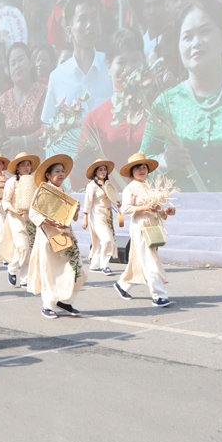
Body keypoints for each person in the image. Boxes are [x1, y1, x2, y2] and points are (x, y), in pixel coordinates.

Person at [140, 0, 222, 192]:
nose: (196, 43)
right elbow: (138, 174)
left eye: (205, 32)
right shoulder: (165, 104)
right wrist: (163, 162)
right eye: (187, 37)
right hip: (182, 219)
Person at [74, 28, 147, 189]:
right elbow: (79, 179)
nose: (129, 68)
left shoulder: (157, 110)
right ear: (108, 66)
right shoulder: (94, 119)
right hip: (110, 207)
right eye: (121, 62)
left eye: (135, 59)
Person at [42, 0, 114, 125]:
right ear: (70, 31)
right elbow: (48, 128)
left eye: (94, 17)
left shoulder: (111, 67)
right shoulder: (57, 77)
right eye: (82, 19)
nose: (90, 25)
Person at [26, 154, 86, 318]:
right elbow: (33, 214)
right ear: (48, 175)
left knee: (76, 269)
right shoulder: (43, 191)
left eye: (63, 171)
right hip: (48, 237)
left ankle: (64, 301)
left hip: (65, 235)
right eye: (57, 171)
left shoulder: (65, 190)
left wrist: (76, 210)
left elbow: (70, 217)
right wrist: (52, 223)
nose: (61, 174)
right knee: (50, 271)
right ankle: (48, 305)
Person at [114, 153, 177, 307]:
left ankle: (123, 285)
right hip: (140, 228)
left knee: (140, 261)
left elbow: (156, 210)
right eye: (138, 168)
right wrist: (145, 207)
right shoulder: (131, 188)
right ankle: (159, 296)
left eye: (144, 167)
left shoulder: (148, 187)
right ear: (131, 171)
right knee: (150, 261)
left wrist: (165, 212)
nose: (142, 170)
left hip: (152, 228)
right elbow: (126, 208)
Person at [0, 152, 41, 288]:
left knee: (27, 249)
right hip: (15, 219)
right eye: (23, 165)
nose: (26, 168)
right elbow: (6, 202)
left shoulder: (35, 182)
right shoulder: (11, 182)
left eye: (28, 165)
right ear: (17, 168)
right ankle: (13, 268)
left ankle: (24, 277)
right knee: (23, 247)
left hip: (31, 219)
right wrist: (14, 211)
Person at [0, 42, 49, 156]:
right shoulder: (2, 101)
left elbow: (49, 128)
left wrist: (23, 141)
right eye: (13, 63)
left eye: (21, 60)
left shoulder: (44, 92)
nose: (17, 66)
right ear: (8, 70)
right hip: (10, 166)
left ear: (30, 63)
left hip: (40, 162)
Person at [81, 159, 121, 276]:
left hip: (108, 216)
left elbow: (113, 198)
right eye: (100, 170)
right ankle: (105, 265)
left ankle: (94, 265)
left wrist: (118, 204)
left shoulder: (108, 185)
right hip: (96, 216)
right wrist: (85, 218)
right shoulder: (91, 185)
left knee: (99, 241)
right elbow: (88, 202)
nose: (103, 172)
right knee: (107, 239)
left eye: (105, 170)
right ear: (95, 172)